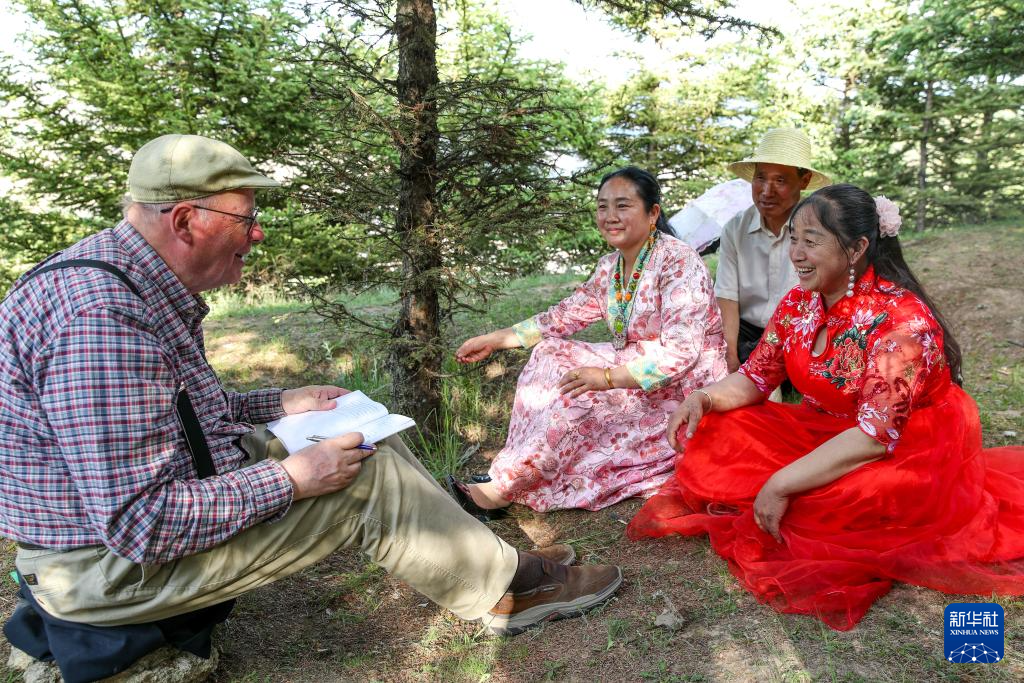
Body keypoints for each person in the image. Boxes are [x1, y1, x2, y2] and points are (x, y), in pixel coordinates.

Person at [0, 134, 623, 677]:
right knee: (364, 479)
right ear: (186, 220)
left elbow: (183, 414)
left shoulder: (130, 281)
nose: (257, 233)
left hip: (138, 524)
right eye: (245, 218)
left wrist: (282, 401)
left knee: (358, 432)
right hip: (105, 571)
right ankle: (503, 592)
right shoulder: (101, 321)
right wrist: (292, 478)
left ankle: (485, 558)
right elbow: (140, 522)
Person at [626, 184, 1024, 631]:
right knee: (719, 428)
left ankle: (790, 494)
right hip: (827, 430)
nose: (796, 253)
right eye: (793, 238)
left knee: (830, 505)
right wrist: (704, 397)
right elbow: (756, 377)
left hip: (902, 449)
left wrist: (780, 483)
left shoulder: (902, 323)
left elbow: (874, 437)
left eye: (811, 241)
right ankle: (786, 490)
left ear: (856, 248)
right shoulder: (800, 302)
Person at [453, 167, 727, 516]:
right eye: (602, 206)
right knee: (549, 353)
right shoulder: (609, 267)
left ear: (653, 213)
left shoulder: (679, 261)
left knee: (578, 398)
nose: (610, 216)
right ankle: (514, 466)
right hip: (631, 364)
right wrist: (496, 339)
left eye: (623, 206)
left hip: (682, 386)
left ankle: (503, 490)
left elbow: (681, 352)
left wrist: (607, 379)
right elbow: (562, 316)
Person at [716, 127, 831, 373]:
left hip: (801, 331)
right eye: (761, 178)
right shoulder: (736, 229)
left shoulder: (822, 228)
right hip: (747, 332)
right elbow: (727, 297)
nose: (767, 191)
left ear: (804, 180)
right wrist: (730, 357)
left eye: (780, 180)